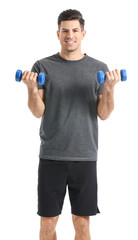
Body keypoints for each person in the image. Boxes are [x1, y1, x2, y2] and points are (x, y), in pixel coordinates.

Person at [21, 9, 121, 240]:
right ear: (58, 34)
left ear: (83, 33)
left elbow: (104, 114)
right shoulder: (43, 66)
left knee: (82, 224)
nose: (70, 35)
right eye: (65, 30)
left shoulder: (98, 68)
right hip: (52, 155)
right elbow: (38, 112)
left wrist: (110, 88)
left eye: (75, 30)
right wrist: (30, 89)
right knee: (47, 223)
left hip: (84, 155)